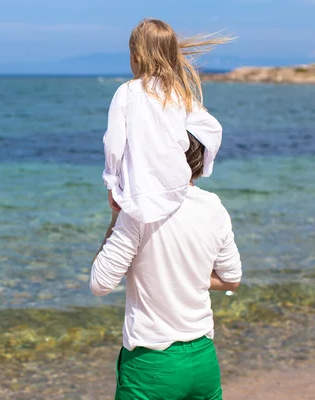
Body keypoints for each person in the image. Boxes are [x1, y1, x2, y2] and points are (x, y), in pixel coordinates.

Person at [91, 132, 242, 400]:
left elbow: (100, 283)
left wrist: (116, 214)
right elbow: (231, 280)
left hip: (152, 366)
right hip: (203, 359)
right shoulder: (213, 207)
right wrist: (188, 276)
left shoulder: (139, 212)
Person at [103, 18, 231, 223]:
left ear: (135, 56)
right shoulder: (178, 94)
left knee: (111, 245)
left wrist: (111, 183)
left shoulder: (126, 92)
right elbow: (212, 129)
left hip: (138, 193)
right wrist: (199, 169)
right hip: (177, 188)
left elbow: (113, 144)